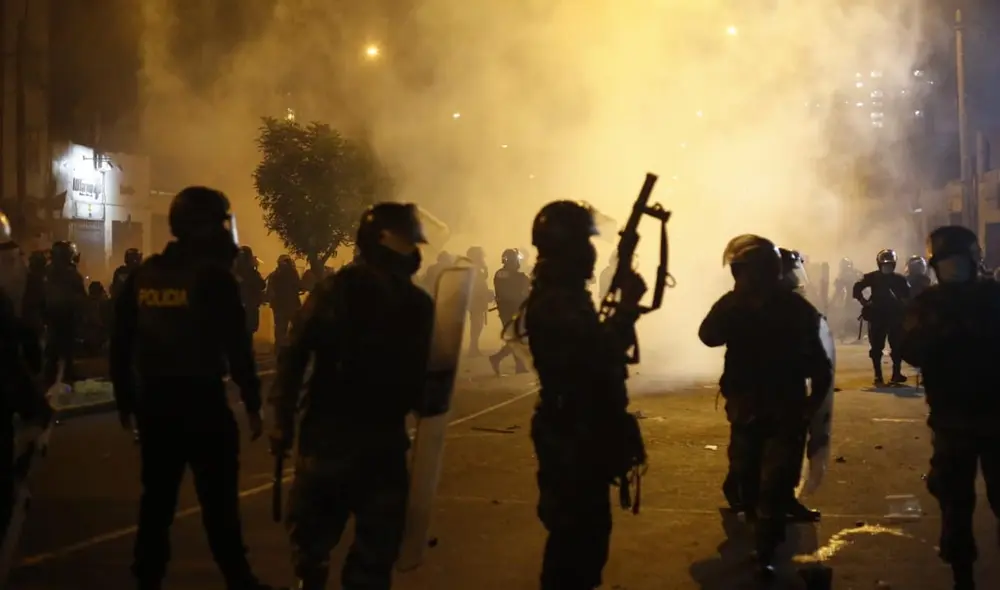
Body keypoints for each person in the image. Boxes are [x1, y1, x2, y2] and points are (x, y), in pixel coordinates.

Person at [110, 186, 280, 590]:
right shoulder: (214, 279)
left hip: (156, 406)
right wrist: (253, 402)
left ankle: (146, 577)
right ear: (204, 227)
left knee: (157, 502)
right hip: (202, 404)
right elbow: (237, 347)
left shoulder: (143, 277)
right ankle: (238, 579)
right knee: (219, 502)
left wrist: (126, 402)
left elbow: (120, 344)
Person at [269, 202, 434, 590]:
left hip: (341, 441)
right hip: (361, 443)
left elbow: (294, 355)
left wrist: (283, 419)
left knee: (325, 553)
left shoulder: (342, 291)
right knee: (354, 555)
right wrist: (282, 418)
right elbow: (295, 354)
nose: (413, 251)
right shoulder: (395, 301)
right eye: (406, 242)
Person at [521, 200, 647, 590]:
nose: (592, 253)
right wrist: (626, 309)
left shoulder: (567, 295)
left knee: (585, 538)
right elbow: (595, 357)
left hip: (580, 426)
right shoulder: (558, 300)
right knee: (576, 541)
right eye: (585, 243)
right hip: (570, 431)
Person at [699, 234, 833, 575]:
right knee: (746, 477)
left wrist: (811, 407)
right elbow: (708, 335)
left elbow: (820, 363)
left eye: (744, 272)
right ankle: (759, 531)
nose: (740, 278)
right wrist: (734, 302)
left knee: (775, 482)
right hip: (746, 407)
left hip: (785, 406)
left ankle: (766, 551)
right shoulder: (735, 305)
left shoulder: (796, 309)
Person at [898, 226, 1000, 590]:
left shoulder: (994, 298)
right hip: (951, 420)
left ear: (974, 262)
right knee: (955, 504)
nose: (953, 270)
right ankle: (962, 576)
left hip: (994, 417)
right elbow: (909, 349)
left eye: (959, 263)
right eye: (947, 264)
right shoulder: (929, 304)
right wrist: (940, 331)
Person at [853, 249, 910, 385]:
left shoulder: (900, 279)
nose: (887, 267)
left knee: (897, 347)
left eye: (889, 265)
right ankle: (878, 376)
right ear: (879, 264)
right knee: (876, 347)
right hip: (877, 316)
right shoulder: (872, 277)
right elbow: (857, 287)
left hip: (894, 316)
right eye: (884, 264)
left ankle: (896, 374)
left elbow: (907, 295)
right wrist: (864, 301)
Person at [42, 241, 86, 386]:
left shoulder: (47, 272)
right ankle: (64, 381)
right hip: (64, 318)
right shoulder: (71, 274)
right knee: (64, 353)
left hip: (55, 318)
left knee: (55, 354)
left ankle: (53, 382)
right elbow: (80, 299)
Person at [489, 248, 530, 376]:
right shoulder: (517, 276)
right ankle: (497, 358)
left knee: (516, 337)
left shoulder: (500, 274)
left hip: (507, 310)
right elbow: (520, 292)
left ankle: (519, 365)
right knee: (517, 338)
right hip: (512, 310)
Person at [265, 255, 302, 350]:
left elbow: (270, 290)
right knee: (295, 327)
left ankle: (279, 349)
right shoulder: (292, 273)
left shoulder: (274, 274)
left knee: (280, 329)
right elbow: (298, 286)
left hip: (279, 306)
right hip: (291, 305)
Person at [234, 246, 266, 336]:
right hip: (247, 305)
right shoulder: (250, 272)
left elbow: (261, 285)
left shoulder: (237, 271)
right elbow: (261, 285)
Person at [466, 246, 491, 356]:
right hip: (476, 299)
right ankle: (473, 347)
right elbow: (477, 283)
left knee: (477, 324)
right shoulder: (473, 268)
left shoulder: (476, 267)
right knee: (477, 324)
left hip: (478, 299)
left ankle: (474, 347)